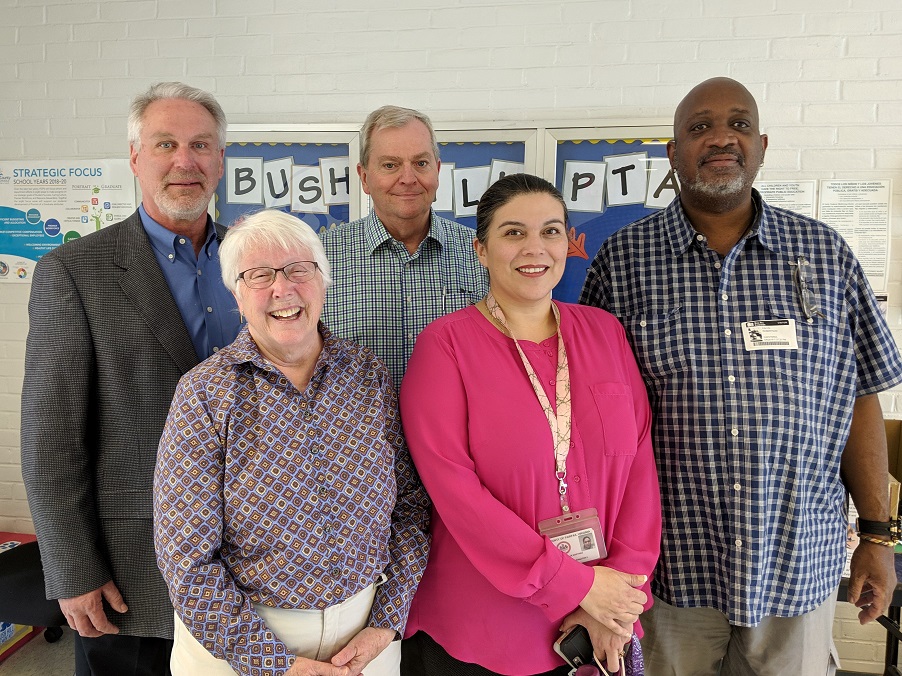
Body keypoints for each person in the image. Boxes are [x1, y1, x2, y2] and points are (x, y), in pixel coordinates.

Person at [580, 77, 902, 675]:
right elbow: (590, 424)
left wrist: (879, 539)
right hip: (669, 566)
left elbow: (860, 399)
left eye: (739, 124)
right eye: (699, 127)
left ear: (762, 145)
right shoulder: (622, 262)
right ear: (673, 154)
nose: (721, 137)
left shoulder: (825, 255)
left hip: (797, 560)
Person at [399, 173, 661, 675]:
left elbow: (641, 470)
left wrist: (621, 593)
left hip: (600, 620)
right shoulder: (445, 347)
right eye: (514, 232)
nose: (535, 248)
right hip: (485, 627)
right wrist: (580, 586)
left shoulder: (604, 333)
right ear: (481, 249)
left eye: (551, 231)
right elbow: (457, 495)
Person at [20, 81, 241, 676]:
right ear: (136, 158)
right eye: (165, 143)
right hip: (131, 578)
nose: (184, 161)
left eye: (201, 145)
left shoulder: (254, 262)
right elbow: (49, 441)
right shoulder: (73, 270)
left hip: (251, 569)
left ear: (221, 159)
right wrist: (73, 572)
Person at [154, 209, 430, 676]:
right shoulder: (204, 393)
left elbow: (410, 510)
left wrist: (386, 623)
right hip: (242, 644)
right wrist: (272, 662)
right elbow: (186, 558)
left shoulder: (368, 375)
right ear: (237, 296)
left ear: (323, 281)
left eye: (298, 270)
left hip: (366, 637)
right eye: (259, 275)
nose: (282, 289)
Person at [320, 105, 488, 386]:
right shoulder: (318, 260)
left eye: (420, 163)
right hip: (360, 431)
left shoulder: (481, 253)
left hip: (457, 430)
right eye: (390, 165)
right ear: (364, 177)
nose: (408, 178)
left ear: (436, 170)